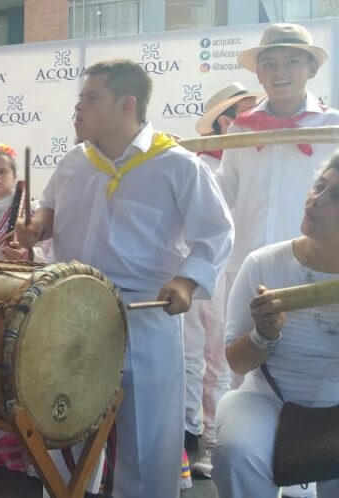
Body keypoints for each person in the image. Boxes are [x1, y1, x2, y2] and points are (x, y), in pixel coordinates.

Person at [16, 59, 233, 497]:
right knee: (63, 429)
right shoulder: (75, 159)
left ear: (126, 104)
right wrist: (37, 228)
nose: (78, 109)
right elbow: (50, 209)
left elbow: (216, 233)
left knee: (149, 438)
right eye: (79, 99)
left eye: (91, 99)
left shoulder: (178, 165)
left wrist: (186, 283)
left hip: (145, 314)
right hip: (70, 309)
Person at [211, 156, 339, 498]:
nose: (318, 199)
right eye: (319, 185)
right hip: (268, 396)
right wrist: (263, 334)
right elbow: (236, 363)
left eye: (336, 195)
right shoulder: (263, 264)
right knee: (237, 454)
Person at [217, 22, 339, 297]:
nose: (279, 72)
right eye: (269, 64)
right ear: (258, 73)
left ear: (312, 68)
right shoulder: (241, 128)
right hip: (246, 265)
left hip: (312, 264)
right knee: (240, 339)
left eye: (292, 61)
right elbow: (224, 190)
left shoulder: (333, 126)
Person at [184, 81, 259, 479]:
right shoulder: (195, 163)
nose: (255, 119)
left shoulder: (254, 159)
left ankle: (217, 438)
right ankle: (192, 436)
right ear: (226, 122)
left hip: (241, 269)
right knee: (196, 353)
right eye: (246, 113)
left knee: (223, 355)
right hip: (197, 270)